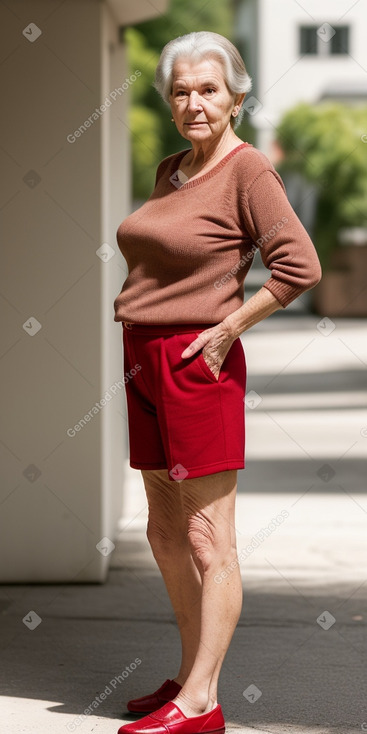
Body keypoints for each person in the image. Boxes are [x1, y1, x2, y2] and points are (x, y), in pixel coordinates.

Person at [114, 31, 321, 734]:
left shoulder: (248, 170)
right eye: (180, 90)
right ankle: (186, 676)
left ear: (235, 96)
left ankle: (201, 703)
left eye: (207, 89)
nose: (192, 103)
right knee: (164, 530)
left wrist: (229, 327)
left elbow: (299, 267)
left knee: (208, 539)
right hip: (141, 356)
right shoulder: (171, 168)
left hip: (195, 362)